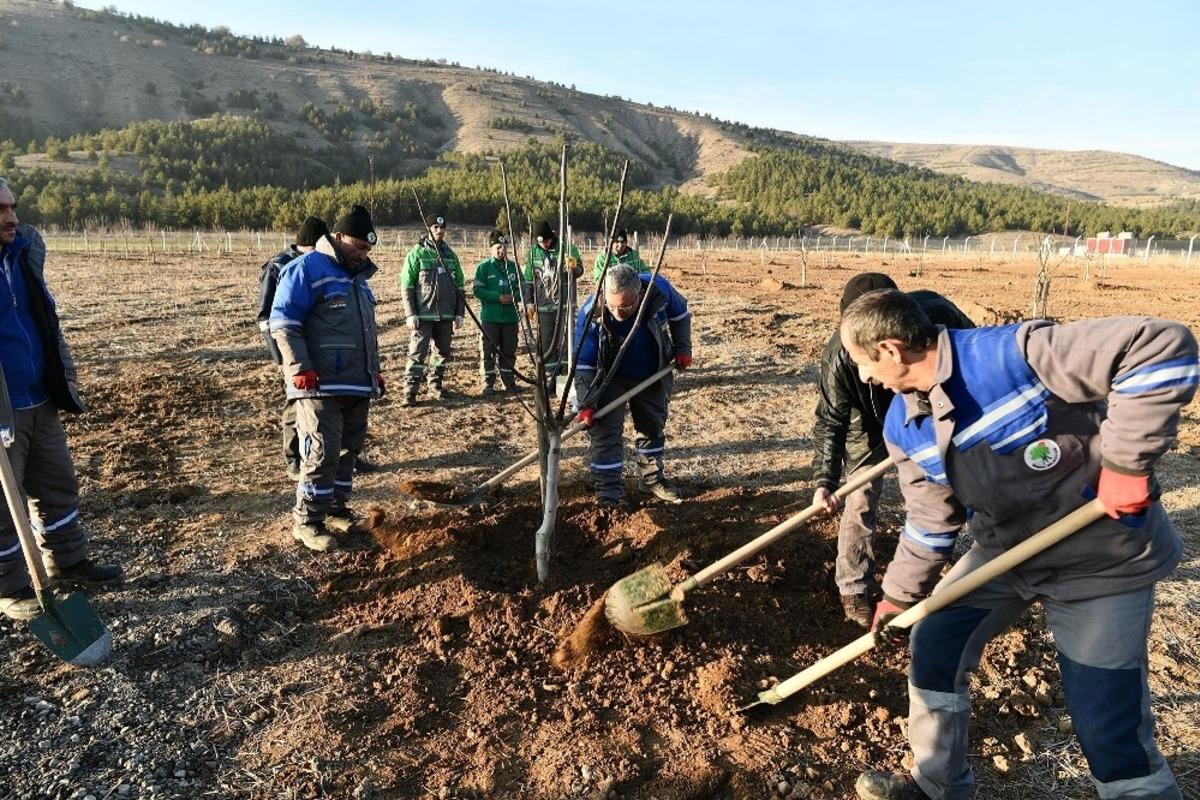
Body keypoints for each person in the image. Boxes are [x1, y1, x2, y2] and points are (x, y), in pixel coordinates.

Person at [839, 289, 1195, 800]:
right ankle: (937, 785)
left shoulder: (1014, 354)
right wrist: (898, 596)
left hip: (1100, 560)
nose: (866, 377)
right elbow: (930, 518)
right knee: (934, 642)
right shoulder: (904, 423)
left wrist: (1125, 464)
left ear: (891, 350)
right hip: (1005, 555)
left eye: (863, 363)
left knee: (1105, 719)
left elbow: (1160, 344)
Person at [811, 273, 974, 628]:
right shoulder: (840, 357)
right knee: (860, 499)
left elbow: (971, 359)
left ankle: (957, 571)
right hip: (866, 424)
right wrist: (825, 479)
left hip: (931, 408)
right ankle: (853, 586)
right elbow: (831, 420)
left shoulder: (935, 315)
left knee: (957, 485)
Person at [0, 178, 122, 620]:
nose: (12, 217)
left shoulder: (22, 258)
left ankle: (67, 562)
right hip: (2, 408)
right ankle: (11, 587)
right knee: (2, 504)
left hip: (39, 398)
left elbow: (45, 323)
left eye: (12, 207)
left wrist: (61, 381)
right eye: (0, 210)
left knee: (56, 487)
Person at [269, 205, 383, 552]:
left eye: (367, 250)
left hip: (355, 382)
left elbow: (366, 333)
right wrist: (300, 368)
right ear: (338, 237)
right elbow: (284, 323)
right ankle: (307, 521)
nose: (362, 254)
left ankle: (336, 509)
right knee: (322, 451)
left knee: (348, 451)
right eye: (358, 247)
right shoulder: (306, 269)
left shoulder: (358, 280)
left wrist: (373, 371)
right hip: (319, 383)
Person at [574, 263, 691, 507]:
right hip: (609, 377)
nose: (617, 313)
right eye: (612, 306)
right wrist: (586, 402)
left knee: (651, 426)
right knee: (605, 432)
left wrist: (683, 348)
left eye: (625, 307)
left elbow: (680, 316)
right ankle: (608, 495)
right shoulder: (591, 313)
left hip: (651, 371)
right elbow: (584, 363)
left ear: (639, 295)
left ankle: (651, 480)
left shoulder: (658, 289)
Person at [257, 216, 328, 480]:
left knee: (328, 404)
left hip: (320, 346)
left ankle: (334, 454)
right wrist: (282, 356)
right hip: (293, 349)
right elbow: (266, 317)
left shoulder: (322, 264)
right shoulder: (278, 267)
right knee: (295, 403)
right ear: (312, 243)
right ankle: (295, 459)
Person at [400, 213, 464, 406]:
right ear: (429, 229)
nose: (439, 231)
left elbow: (460, 286)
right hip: (423, 314)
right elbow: (406, 285)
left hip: (445, 315)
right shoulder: (417, 253)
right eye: (435, 227)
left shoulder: (451, 256)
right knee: (417, 354)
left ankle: (435, 385)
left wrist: (459, 313)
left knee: (441, 353)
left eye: (442, 228)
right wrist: (410, 313)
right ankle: (410, 391)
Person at [523, 220, 582, 379]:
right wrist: (529, 302)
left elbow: (580, 271)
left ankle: (565, 373)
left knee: (565, 340)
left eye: (547, 241)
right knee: (547, 342)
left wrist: (573, 267)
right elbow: (528, 279)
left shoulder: (568, 248)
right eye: (541, 242)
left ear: (552, 237)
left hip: (564, 306)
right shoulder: (533, 253)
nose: (545, 245)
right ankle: (550, 376)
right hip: (543, 307)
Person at [472, 229, 522, 396]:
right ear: (491, 249)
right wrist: (498, 297)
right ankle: (488, 383)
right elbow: (478, 290)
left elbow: (523, 290)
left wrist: (512, 297)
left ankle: (508, 382)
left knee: (509, 351)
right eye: (498, 247)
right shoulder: (483, 268)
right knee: (488, 352)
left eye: (504, 246)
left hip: (510, 318)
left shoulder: (513, 268)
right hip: (490, 318)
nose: (502, 250)